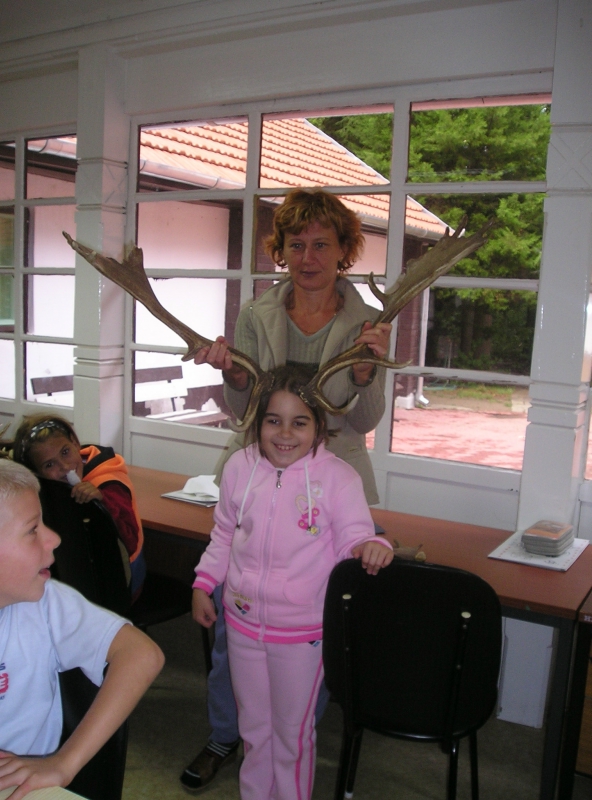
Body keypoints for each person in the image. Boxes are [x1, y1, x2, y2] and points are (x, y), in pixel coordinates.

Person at [181, 188, 392, 791]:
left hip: (327, 482)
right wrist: (234, 374)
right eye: (296, 244)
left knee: (312, 621)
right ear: (282, 251)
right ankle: (229, 734)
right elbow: (244, 410)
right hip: (258, 471)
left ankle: (292, 738)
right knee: (236, 626)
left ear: (344, 250)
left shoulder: (367, 324)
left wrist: (365, 373)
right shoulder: (257, 313)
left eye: (321, 244)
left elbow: (365, 418)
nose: (308, 257)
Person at [192, 367, 393, 800]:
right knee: (254, 730)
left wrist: (373, 546)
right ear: (258, 421)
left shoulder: (339, 478)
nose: (285, 434)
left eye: (299, 422)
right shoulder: (239, 467)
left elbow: (354, 539)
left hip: (302, 634)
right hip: (242, 622)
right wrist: (204, 583)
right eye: (273, 420)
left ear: (319, 426)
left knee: (291, 736)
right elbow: (224, 533)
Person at [0, 459, 164, 800]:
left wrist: (65, 762)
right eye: (32, 530)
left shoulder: (45, 603)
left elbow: (142, 655)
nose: (54, 538)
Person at [12, 414, 146, 599]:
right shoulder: (46, 490)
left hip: (123, 581)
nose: (65, 466)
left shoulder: (109, 482)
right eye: (49, 464)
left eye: (65, 452)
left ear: (75, 444)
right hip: (74, 576)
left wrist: (103, 502)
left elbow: (130, 540)